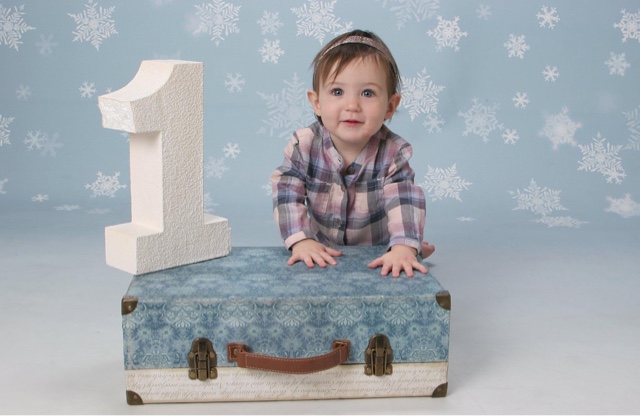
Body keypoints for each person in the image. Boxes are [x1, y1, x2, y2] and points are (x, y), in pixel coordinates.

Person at [270, 29, 435, 278]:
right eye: (337, 92)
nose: (352, 106)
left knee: (404, 247)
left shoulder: (393, 152)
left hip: (376, 248)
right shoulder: (304, 145)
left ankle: (407, 246)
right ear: (317, 102)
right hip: (322, 245)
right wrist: (301, 240)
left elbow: (404, 199)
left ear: (390, 106)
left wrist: (403, 246)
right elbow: (286, 192)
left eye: (367, 93)